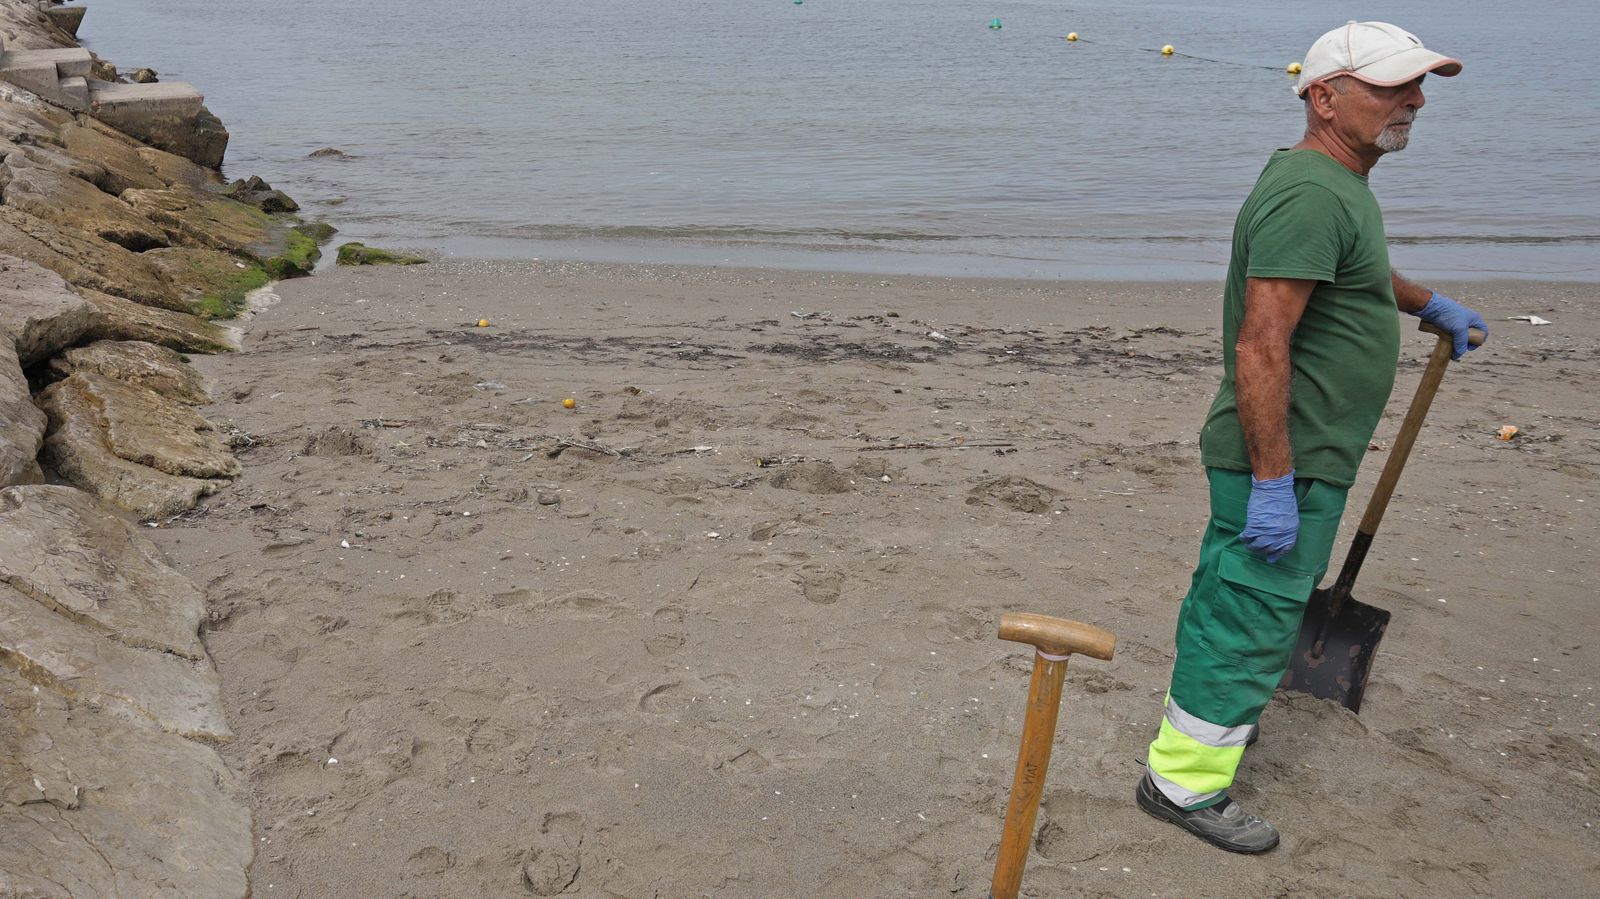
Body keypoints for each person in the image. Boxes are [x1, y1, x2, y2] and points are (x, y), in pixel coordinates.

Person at [1136, 21, 1490, 853]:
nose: (1415, 100)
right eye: (1393, 86)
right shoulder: (1312, 191)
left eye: (1417, 85)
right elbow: (1261, 343)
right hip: (1283, 461)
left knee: (1232, 600)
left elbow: (1351, 269)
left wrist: (1424, 301)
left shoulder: (1336, 184)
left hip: (1296, 458)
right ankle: (1182, 785)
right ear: (1323, 95)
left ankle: (1205, 731)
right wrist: (1270, 480)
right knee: (1251, 615)